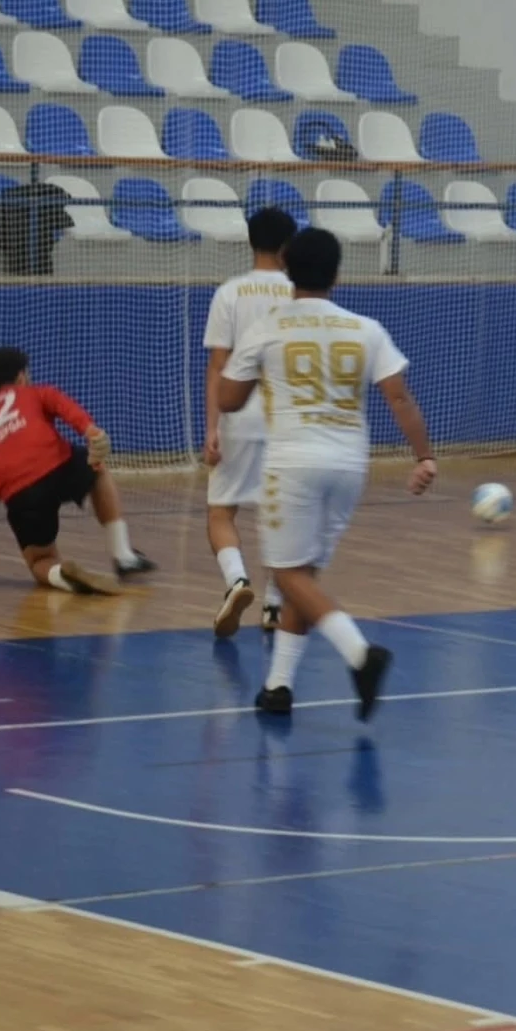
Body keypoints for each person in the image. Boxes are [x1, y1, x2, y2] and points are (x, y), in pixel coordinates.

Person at [219, 228, 437, 720]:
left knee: (286, 573)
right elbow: (399, 397)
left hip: (293, 462)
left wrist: (254, 374)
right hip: (349, 465)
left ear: (286, 269)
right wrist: (424, 457)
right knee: (304, 576)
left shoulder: (269, 326)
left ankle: (360, 654)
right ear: (337, 274)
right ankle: (278, 686)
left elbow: (228, 399)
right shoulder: (366, 328)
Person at [0, 347, 157, 594]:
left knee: (40, 560)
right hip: (58, 467)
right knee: (97, 471)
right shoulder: (36, 392)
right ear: (22, 375)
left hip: (20, 495)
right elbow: (67, 409)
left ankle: (61, 576)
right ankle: (123, 555)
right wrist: (91, 431)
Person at [202, 207, 297, 638]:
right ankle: (275, 604)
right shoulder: (300, 294)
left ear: (250, 241)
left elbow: (217, 367)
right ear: (287, 246)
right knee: (284, 515)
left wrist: (212, 428)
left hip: (238, 416)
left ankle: (237, 580)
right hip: (288, 420)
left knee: (222, 512)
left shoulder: (230, 293)